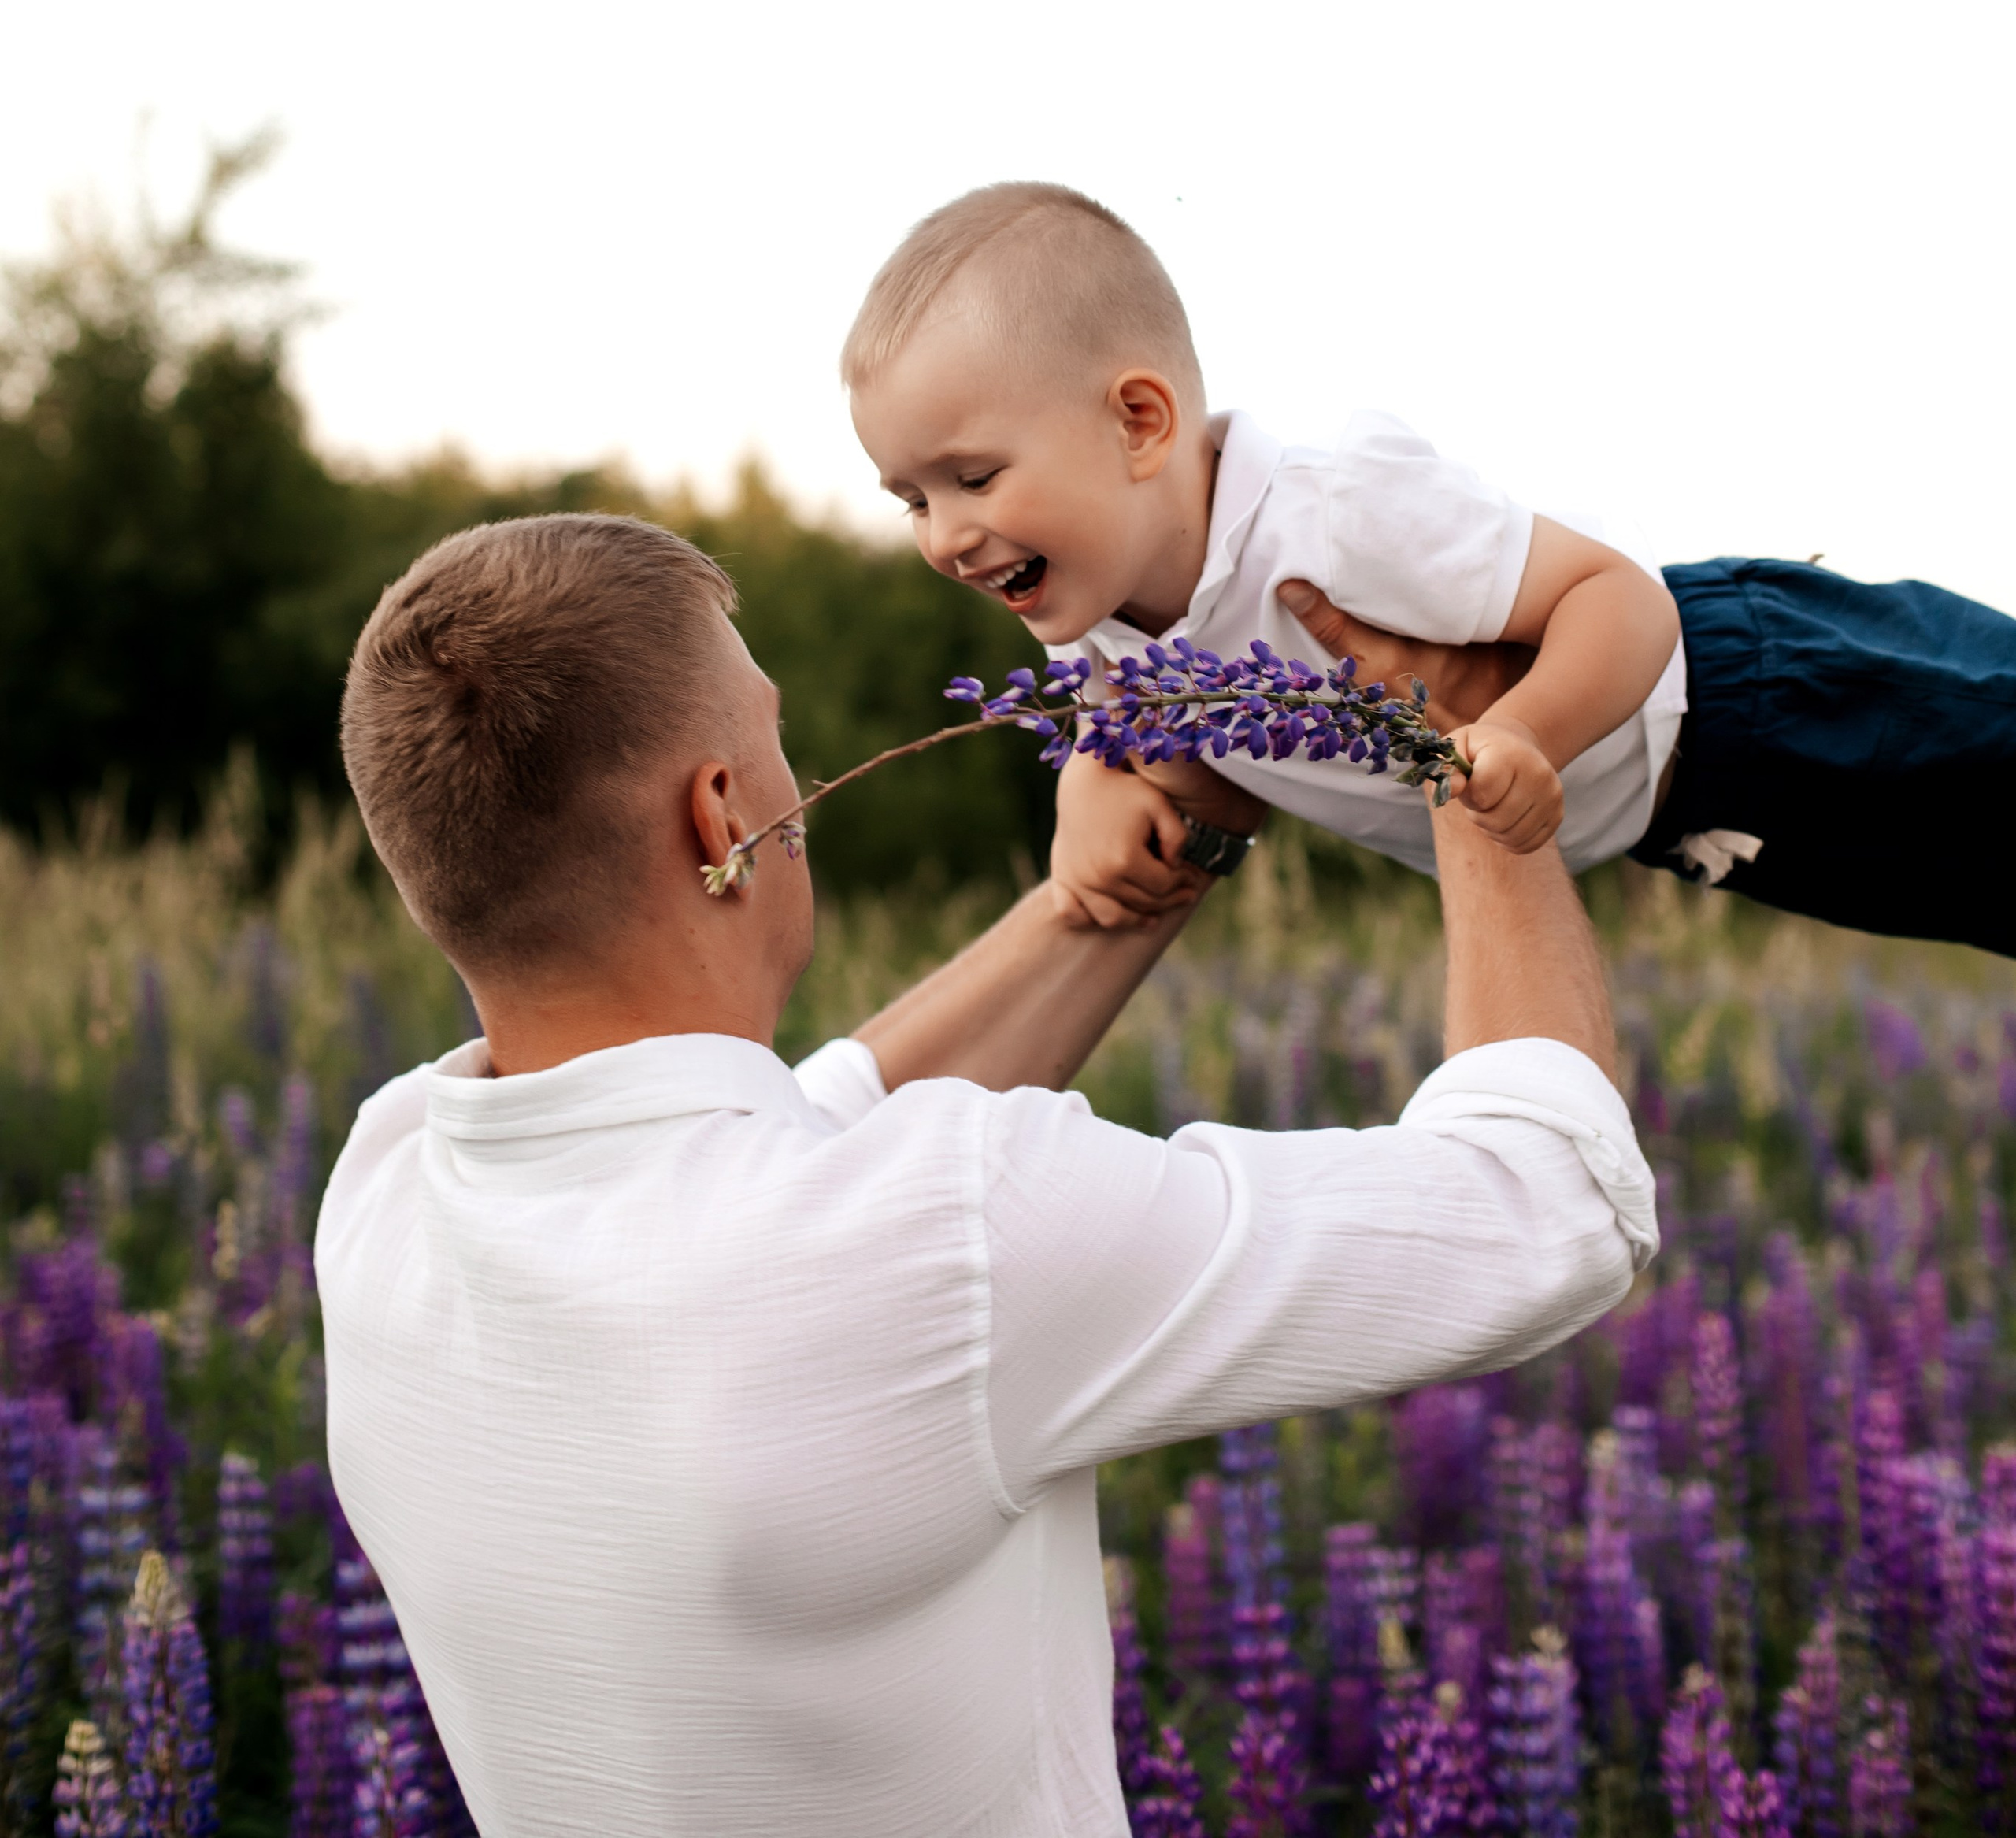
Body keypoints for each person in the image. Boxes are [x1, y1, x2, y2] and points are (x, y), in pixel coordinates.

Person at [317, 509, 1653, 1838]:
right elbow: (1551, 1201)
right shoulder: (941, 1235)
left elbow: (804, 1132)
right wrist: (1473, 777)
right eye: (774, 737)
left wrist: (1123, 887)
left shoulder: (381, 1190)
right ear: (721, 813)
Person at [843, 181, 2016, 958]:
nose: (943, 536)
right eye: (912, 499)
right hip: (1702, 819)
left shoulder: (1333, 513)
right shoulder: (1103, 618)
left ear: (1141, 422)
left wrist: (1526, 734)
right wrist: (1090, 795)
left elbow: (1621, 599)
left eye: (974, 478)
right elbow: (1135, 733)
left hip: (1748, 685)